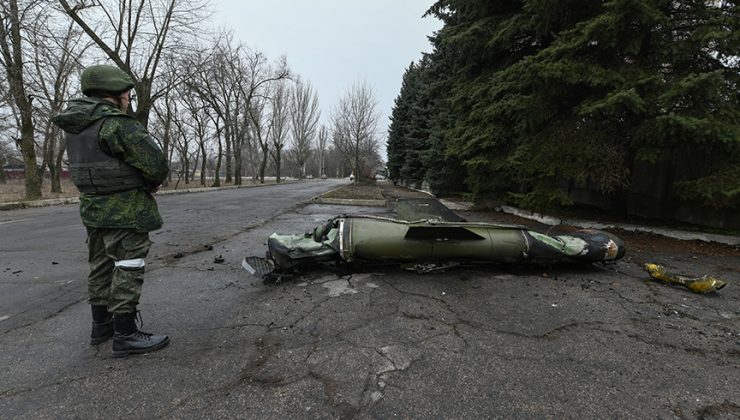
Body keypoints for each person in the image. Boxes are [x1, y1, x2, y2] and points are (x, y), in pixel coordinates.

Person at [52, 64, 170, 358]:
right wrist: (151, 182)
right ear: (115, 95)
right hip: (126, 210)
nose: (129, 100)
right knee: (128, 266)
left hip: (92, 207)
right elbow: (156, 165)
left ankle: (101, 327)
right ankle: (126, 334)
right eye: (127, 95)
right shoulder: (117, 124)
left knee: (101, 266)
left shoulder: (76, 126)